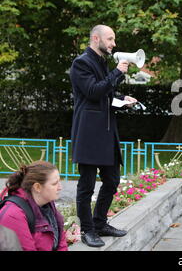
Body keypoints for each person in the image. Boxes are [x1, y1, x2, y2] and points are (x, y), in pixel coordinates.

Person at [70, 25, 135, 247]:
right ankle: (87, 231)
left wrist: (123, 99)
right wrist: (117, 72)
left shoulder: (102, 62)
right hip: (88, 133)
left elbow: (106, 94)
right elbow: (92, 91)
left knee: (112, 180)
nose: (113, 44)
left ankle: (99, 223)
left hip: (107, 132)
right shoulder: (81, 63)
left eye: (114, 39)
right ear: (95, 38)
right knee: (86, 185)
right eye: (110, 39)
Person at [0, 161, 68, 251]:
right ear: (37, 187)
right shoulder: (13, 215)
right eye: (55, 183)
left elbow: (61, 245)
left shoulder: (49, 207)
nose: (60, 187)